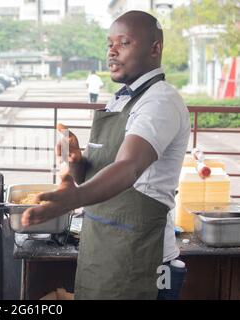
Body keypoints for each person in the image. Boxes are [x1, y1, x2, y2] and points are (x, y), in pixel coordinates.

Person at [21, 11, 190, 300]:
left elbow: (129, 167)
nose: (111, 51)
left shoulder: (160, 100)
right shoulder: (120, 98)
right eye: (109, 43)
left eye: (123, 42)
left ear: (155, 47)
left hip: (143, 258)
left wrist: (75, 198)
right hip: (104, 251)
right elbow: (96, 172)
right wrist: (76, 161)